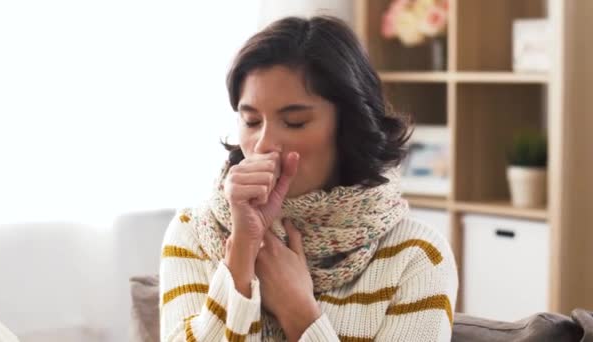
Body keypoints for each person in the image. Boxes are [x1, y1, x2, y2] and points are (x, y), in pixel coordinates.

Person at [159, 15, 458, 341]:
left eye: (295, 122)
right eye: (251, 121)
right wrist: (241, 256)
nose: (263, 144)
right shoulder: (194, 233)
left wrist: (298, 313)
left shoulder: (417, 257)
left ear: (349, 127)